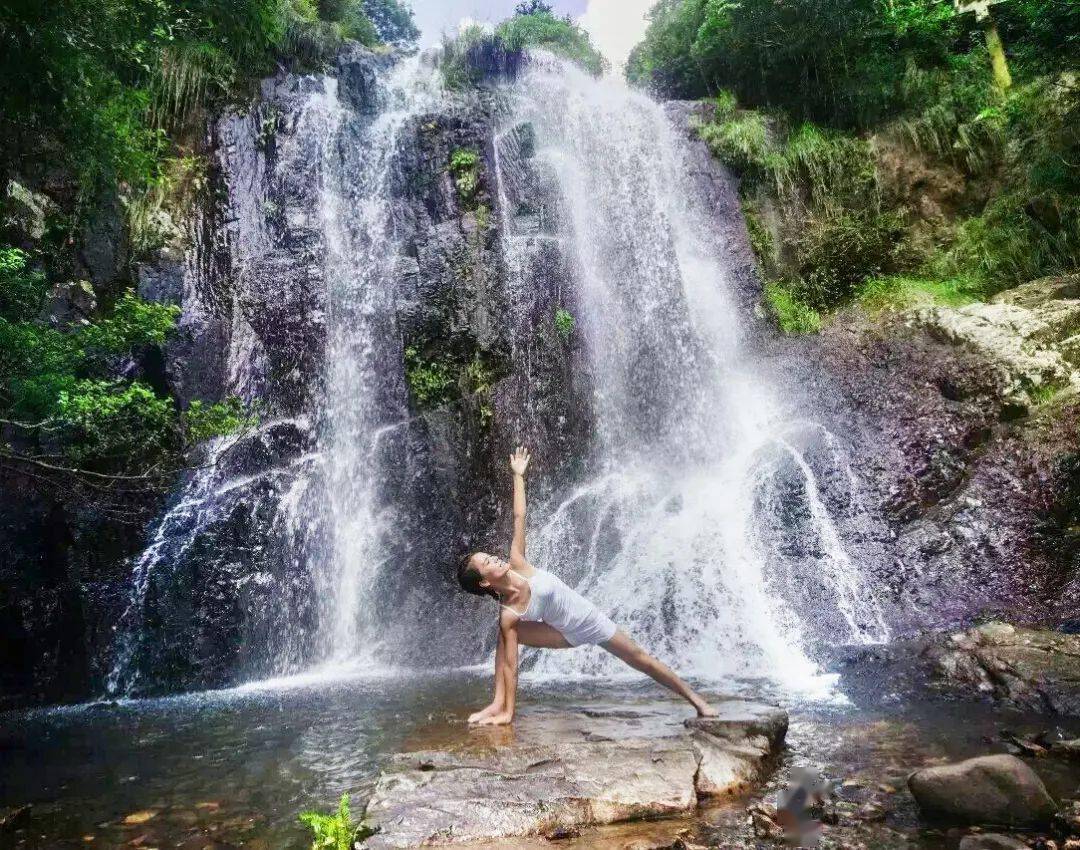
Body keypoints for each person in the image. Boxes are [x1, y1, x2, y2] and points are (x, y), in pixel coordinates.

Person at [456, 446, 718, 725]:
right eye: (488, 562)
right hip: (561, 634)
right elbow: (511, 665)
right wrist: (511, 712)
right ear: (485, 581)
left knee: (640, 658)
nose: (495, 558)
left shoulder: (517, 563)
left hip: (589, 620)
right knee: (507, 635)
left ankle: (697, 701)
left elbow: (519, 516)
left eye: (490, 555)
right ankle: (500, 706)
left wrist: (518, 475)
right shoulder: (509, 613)